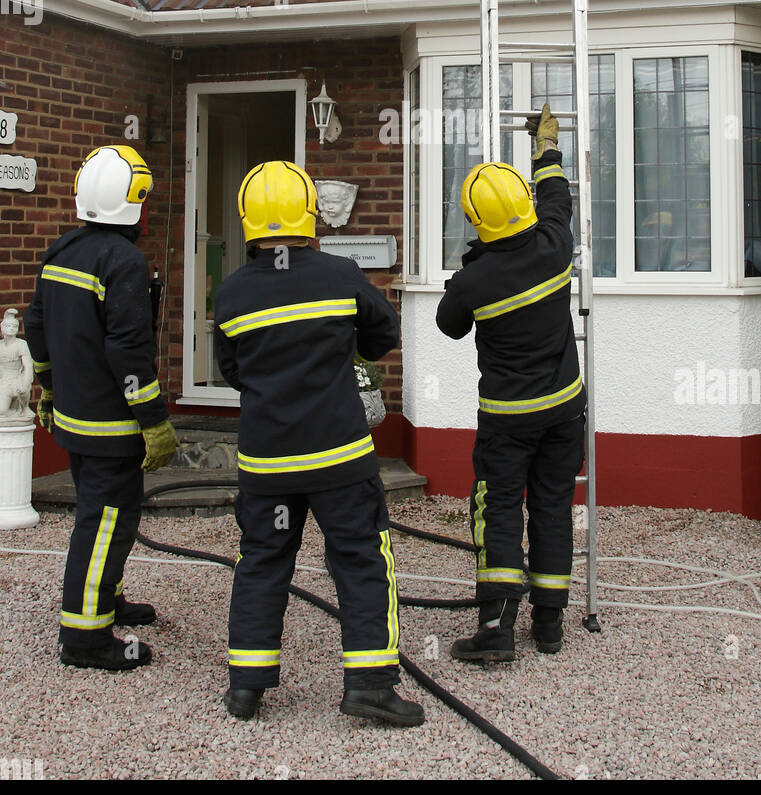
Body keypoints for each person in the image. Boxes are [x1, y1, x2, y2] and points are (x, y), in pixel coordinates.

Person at [213, 159, 424, 726]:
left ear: (248, 221)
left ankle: (246, 688)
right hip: (339, 457)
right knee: (359, 558)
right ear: (310, 216)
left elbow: (231, 371)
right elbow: (384, 334)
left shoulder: (231, 294)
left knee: (262, 558)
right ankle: (371, 686)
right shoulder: (340, 274)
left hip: (267, 461)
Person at [436, 105, 586, 660]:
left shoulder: (476, 280)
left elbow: (448, 327)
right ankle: (548, 626)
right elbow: (556, 196)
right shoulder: (553, 242)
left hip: (507, 419)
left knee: (498, 506)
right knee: (551, 504)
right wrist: (546, 149)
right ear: (522, 206)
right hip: (564, 411)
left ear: (477, 222)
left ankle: (496, 631)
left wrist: (465, 273)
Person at [24, 144, 178, 672]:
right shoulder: (124, 262)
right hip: (111, 427)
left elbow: (36, 326)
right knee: (106, 520)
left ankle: (103, 599)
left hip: (72, 419)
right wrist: (154, 420)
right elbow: (128, 349)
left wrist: (46, 387)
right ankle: (86, 638)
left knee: (105, 518)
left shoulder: (61, 251)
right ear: (133, 203)